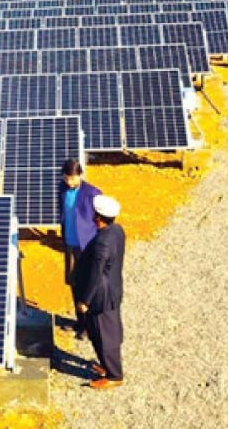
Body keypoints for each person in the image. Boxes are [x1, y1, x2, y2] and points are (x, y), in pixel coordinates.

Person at [75, 194, 125, 389]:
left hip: (100, 296)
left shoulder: (102, 243)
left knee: (105, 336)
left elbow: (96, 274)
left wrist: (85, 300)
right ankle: (107, 366)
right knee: (103, 332)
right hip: (112, 290)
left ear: (98, 217)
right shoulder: (117, 231)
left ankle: (114, 375)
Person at [58, 158, 101, 337]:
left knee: (86, 284)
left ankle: (89, 325)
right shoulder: (61, 189)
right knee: (73, 283)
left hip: (85, 245)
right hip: (69, 243)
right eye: (67, 178)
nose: (69, 182)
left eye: (73, 178)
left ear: (81, 175)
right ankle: (80, 322)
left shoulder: (93, 193)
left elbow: (100, 221)